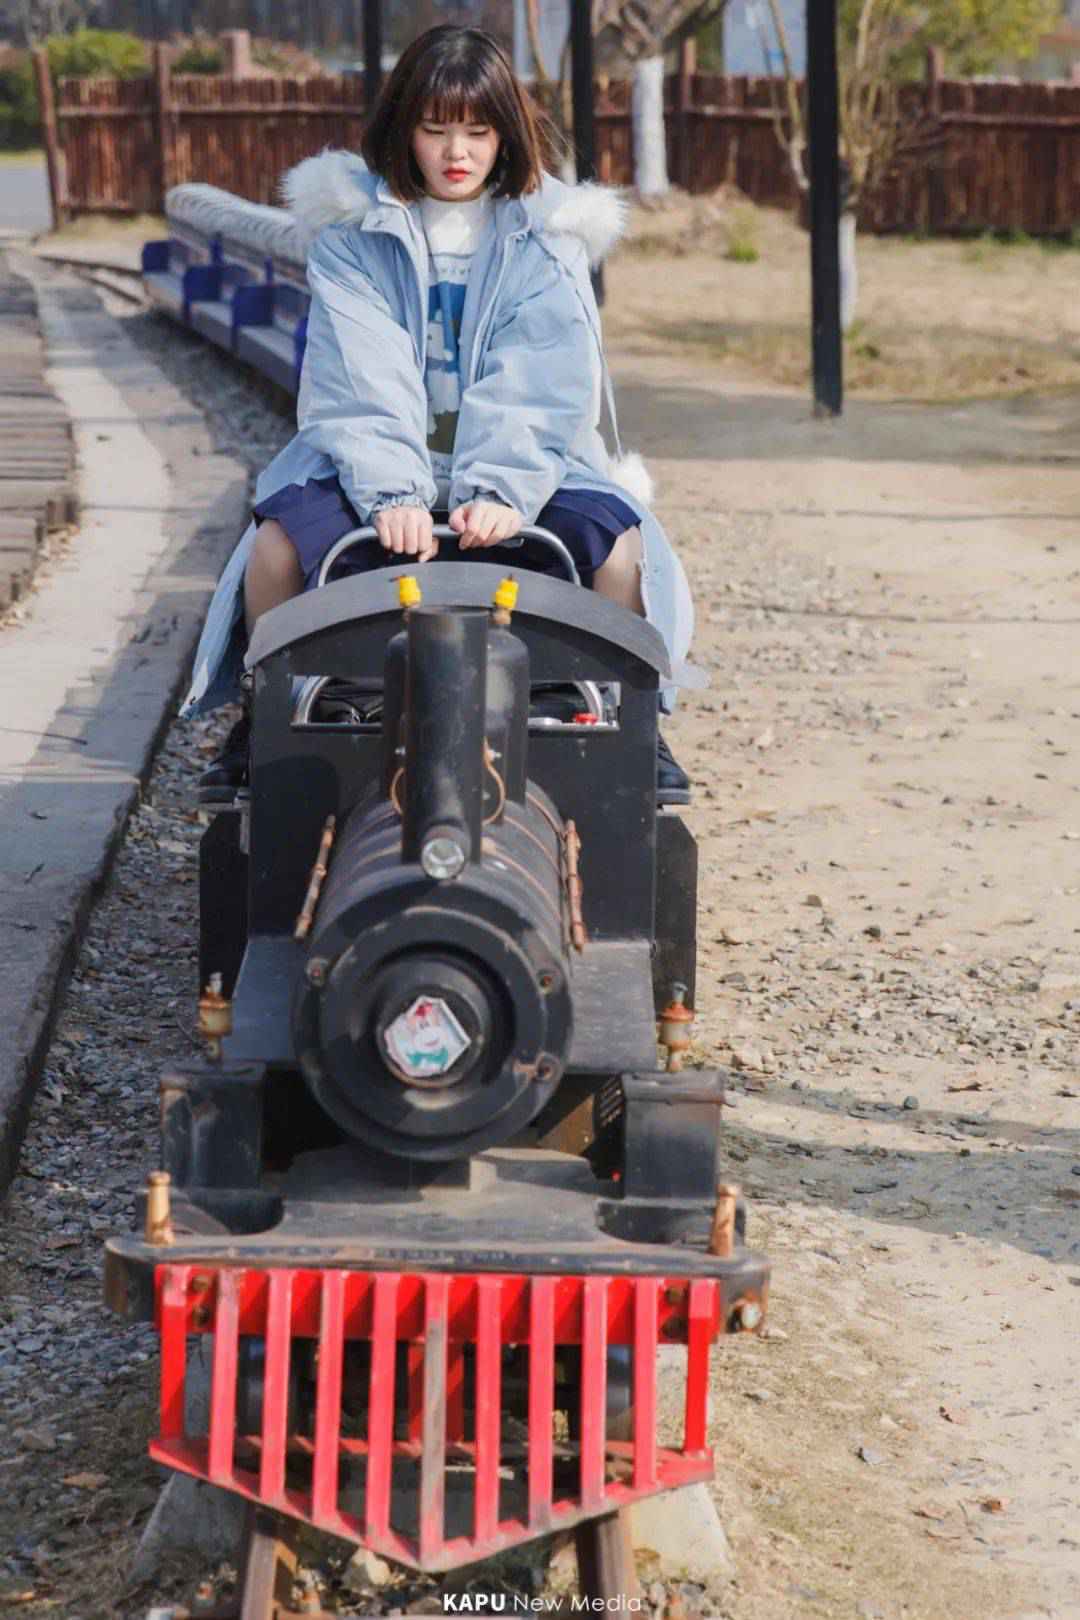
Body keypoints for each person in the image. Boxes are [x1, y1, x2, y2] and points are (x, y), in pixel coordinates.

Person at [183, 24, 693, 803]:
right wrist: (393, 494)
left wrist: (501, 490)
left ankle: (630, 723)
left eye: (478, 131)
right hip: (377, 463)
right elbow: (360, 374)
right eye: (436, 130)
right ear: (404, 133)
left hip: (527, 465)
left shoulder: (545, 237)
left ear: (505, 136)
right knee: (277, 551)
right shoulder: (354, 238)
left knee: (616, 553)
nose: (458, 152)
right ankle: (271, 712)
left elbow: (542, 379)